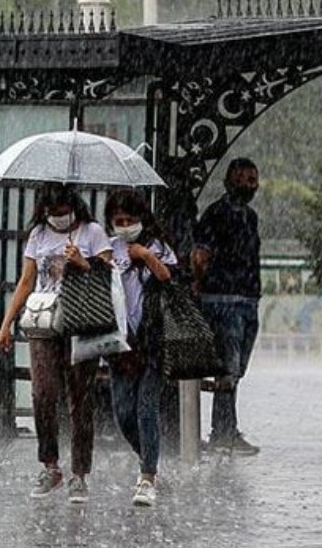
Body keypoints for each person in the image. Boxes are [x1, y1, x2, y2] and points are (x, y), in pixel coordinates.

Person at [0, 182, 113, 504]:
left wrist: (82, 262)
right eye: (52, 213)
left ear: (72, 206)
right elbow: (26, 280)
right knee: (43, 393)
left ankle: (80, 472)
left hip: (81, 322)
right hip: (45, 322)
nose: (58, 218)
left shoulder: (92, 232)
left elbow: (108, 276)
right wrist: (7, 323)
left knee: (80, 398)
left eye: (62, 212)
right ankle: (50, 464)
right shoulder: (38, 235)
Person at [105, 190, 177, 507]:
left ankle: (147, 476)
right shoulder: (108, 248)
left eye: (130, 220)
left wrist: (145, 255)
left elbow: (169, 277)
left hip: (153, 341)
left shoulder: (158, 246)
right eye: (118, 221)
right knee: (123, 412)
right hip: (121, 344)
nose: (124, 226)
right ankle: (148, 456)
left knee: (146, 407)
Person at [191, 158, 262, 455]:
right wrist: (202, 287)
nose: (249, 184)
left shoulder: (250, 216)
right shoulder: (216, 215)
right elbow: (200, 256)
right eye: (243, 178)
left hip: (246, 300)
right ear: (228, 181)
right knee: (228, 368)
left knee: (237, 368)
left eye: (252, 179)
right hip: (222, 300)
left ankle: (225, 428)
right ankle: (223, 431)